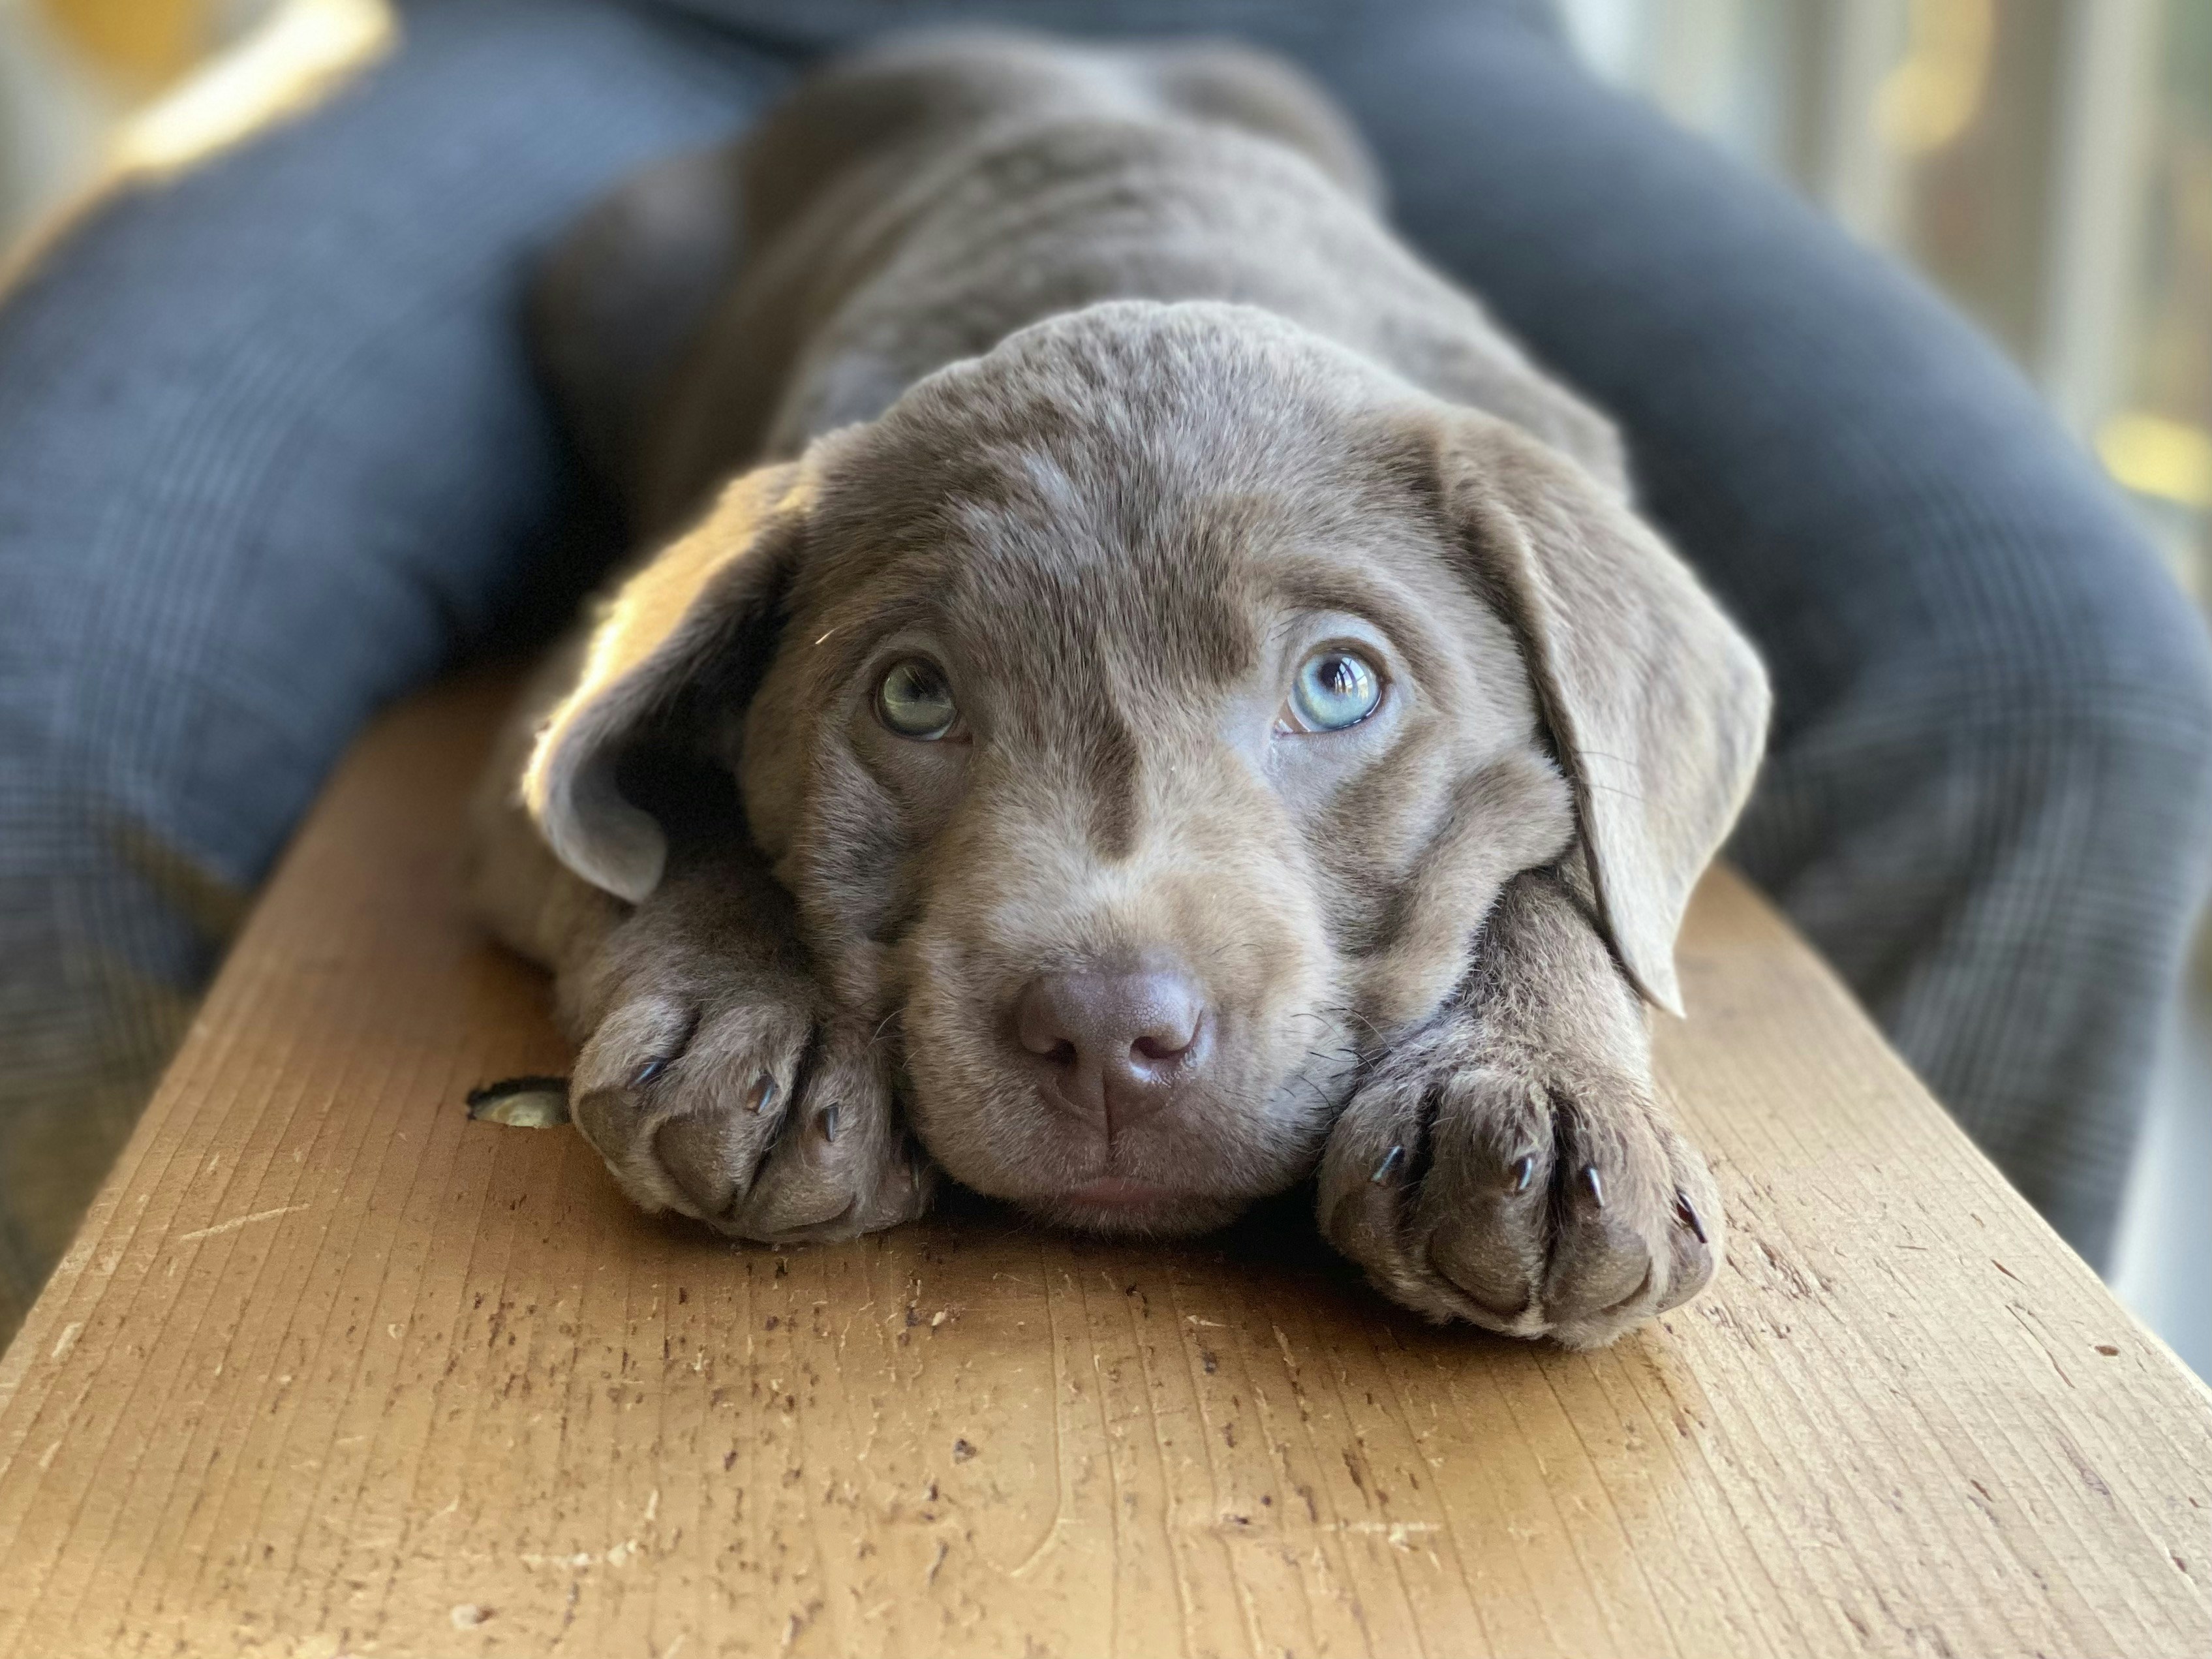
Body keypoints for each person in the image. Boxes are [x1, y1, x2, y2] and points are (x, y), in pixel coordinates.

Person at [4, 0, 2207, 1338]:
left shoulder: (1488, 526)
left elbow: (1573, 726)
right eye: (913, 697)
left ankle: (1896, 1544)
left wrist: (1558, 991)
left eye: (1335, 683)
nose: (1107, 974)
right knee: (37, 691)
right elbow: (566, 777)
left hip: (1352, 37)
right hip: (623, 37)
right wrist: (698, 935)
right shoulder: (782, 449)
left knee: (2063, 682)